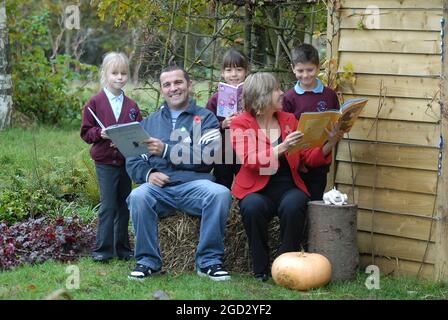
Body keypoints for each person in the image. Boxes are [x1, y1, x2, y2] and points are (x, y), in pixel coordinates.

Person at [230, 72, 343, 281]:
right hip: (256, 189)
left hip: (287, 186)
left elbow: (306, 156)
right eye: (276, 90)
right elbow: (250, 160)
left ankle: (285, 267)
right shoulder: (240, 124)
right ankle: (261, 269)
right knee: (251, 207)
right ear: (262, 96)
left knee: (296, 203)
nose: (282, 93)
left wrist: (329, 144)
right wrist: (282, 147)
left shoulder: (289, 119)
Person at [126, 65, 232, 281]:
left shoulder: (206, 119)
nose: (173, 88)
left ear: (189, 85)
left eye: (178, 82)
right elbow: (133, 158)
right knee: (138, 196)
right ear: (162, 89)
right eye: (167, 84)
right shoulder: (149, 123)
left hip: (195, 187)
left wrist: (166, 150)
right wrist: (148, 174)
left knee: (220, 194)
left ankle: (209, 262)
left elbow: (208, 157)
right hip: (159, 190)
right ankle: (148, 262)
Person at [80, 52, 142, 262]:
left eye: (123, 73)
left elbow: (138, 133)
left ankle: (122, 248)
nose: (119, 77)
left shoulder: (132, 106)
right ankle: (102, 250)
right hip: (105, 162)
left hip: (126, 162)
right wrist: (101, 134)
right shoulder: (94, 103)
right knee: (108, 205)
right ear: (105, 74)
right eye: (114, 73)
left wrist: (127, 140)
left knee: (124, 204)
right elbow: (86, 133)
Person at [282, 43, 340, 201]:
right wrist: (297, 162)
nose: (305, 75)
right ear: (293, 69)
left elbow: (336, 120)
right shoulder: (289, 98)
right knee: (298, 202)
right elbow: (284, 131)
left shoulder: (329, 95)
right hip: (298, 163)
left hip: (321, 159)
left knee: (315, 200)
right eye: (300, 71)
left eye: (310, 70)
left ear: (318, 67)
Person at [206, 48, 249, 189]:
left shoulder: (252, 97)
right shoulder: (215, 99)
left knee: (246, 183)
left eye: (238, 69)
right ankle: (223, 207)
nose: (234, 74)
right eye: (229, 70)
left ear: (246, 71)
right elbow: (206, 126)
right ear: (222, 73)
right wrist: (222, 124)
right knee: (222, 182)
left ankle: (243, 207)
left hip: (247, 149)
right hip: (223, 151)